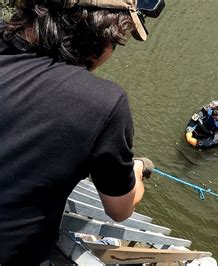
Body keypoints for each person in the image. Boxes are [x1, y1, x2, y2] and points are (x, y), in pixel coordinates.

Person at [0, 0, 164, 264]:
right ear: (100, 34)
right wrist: (136, 170)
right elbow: (119, 210)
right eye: (117, 41)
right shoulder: (102, 103)